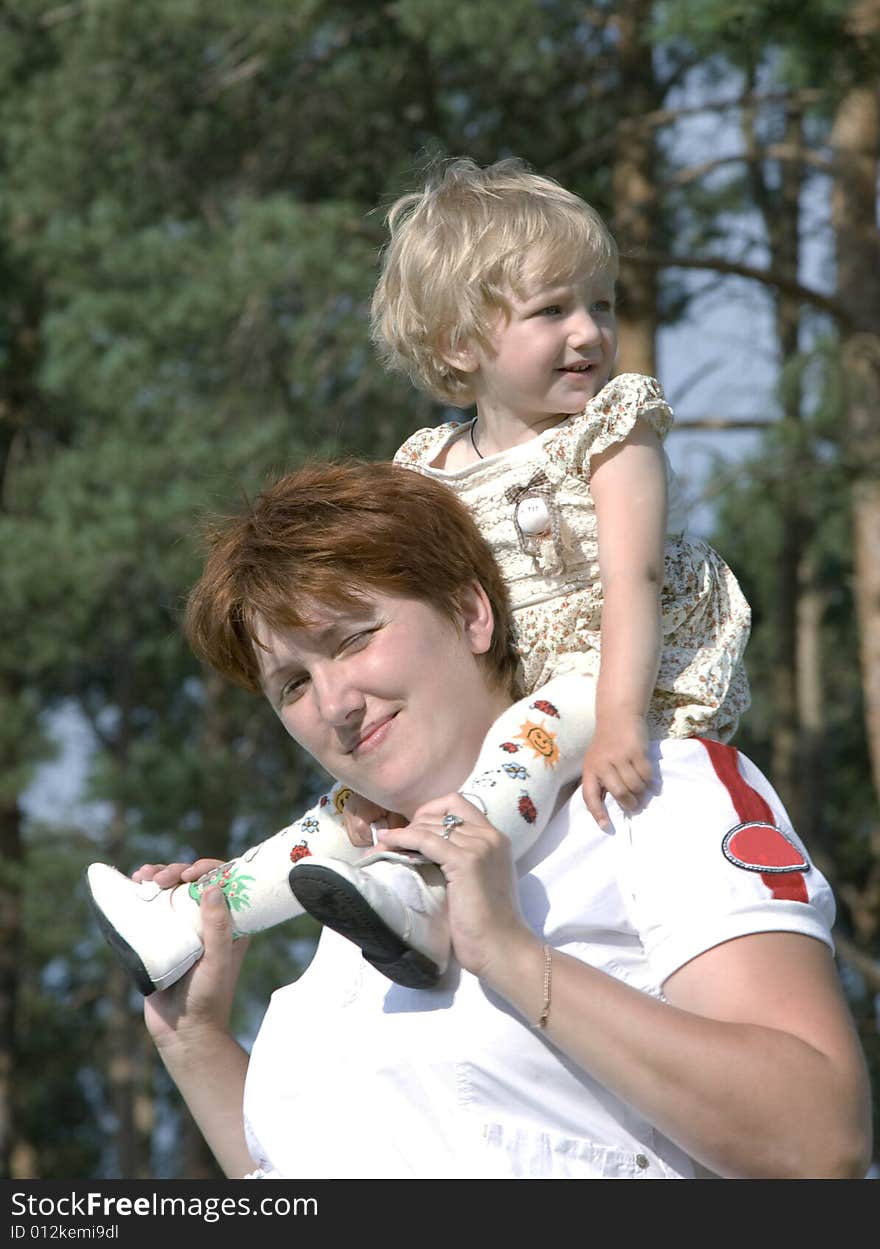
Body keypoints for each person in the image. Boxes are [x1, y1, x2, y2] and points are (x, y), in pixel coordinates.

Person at [86, 156, 750, 994]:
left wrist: (620, 718)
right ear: (460, 345)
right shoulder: (427, 464)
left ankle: (432, 897)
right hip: (510, 678)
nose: (588, 331)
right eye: (553, 311)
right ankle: (195, 917)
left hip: (603, 666)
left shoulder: (615, 429)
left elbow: (635, 575)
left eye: (601, 304)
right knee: (343, 811)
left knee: (525, 736)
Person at [138, 460, 871, 1180]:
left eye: (354, 638)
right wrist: (194, 1039)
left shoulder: (652, 794)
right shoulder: (352, 905)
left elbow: (820, 1141)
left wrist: (512, 957)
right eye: (294, 683)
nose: (336, 705)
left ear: (470, 613)